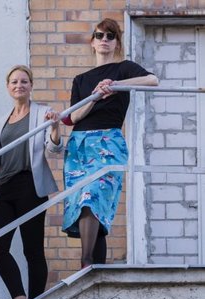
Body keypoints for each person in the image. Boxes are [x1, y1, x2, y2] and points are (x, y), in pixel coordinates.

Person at [62, 18, 158, 268]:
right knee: (87, 208)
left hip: (108, 143)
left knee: (92, 198)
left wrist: (116, 85)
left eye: (110, 36)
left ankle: (85, 263)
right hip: (80, 146)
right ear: (92, 43)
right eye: (99, 35)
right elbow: (72, 118)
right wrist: (94, 97)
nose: (104, 39)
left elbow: (152, 80)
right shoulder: (81, 79)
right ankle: (95, 268)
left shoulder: (123, 68)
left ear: (117, 42)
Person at [0, 66, 62, 299]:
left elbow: (53, 150)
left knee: (32, 249)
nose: (18, 85)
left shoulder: (43, 113)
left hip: (29, 185)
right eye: (14, 81)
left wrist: (54, 129)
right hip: (4, 187)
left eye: (23, 81)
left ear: (31, 85)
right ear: (8, 87)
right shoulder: (3, 119)